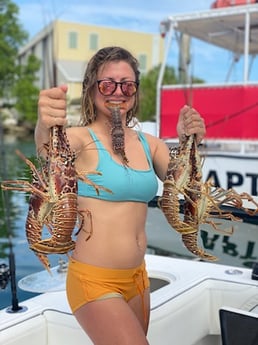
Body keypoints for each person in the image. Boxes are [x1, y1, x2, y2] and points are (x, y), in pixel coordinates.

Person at [35, 46, 206, 345]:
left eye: (127, 84)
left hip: (138, 278)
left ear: (136, 92)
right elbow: (48, 153)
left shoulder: (151, 145)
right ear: (91, 89)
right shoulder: (76, 138)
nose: (118, 91)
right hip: (93, 280)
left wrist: (189, 143)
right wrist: (44, 122)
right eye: (107, 84)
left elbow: (189, 187)